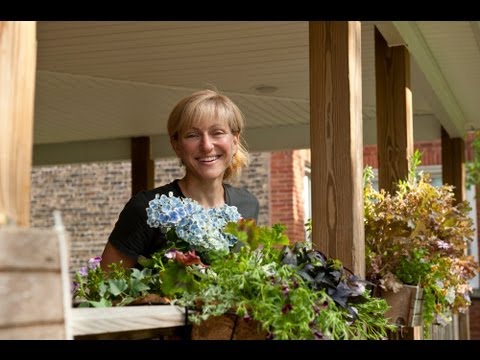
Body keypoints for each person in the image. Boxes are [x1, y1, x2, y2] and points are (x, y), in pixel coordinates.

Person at [100, 89, 259, 270]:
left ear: (235, 141)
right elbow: (106, 285)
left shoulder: (247, 204)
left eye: (217, 132)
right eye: (193, 135)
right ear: (176, 145)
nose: (206, 146)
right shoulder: (146, 209)